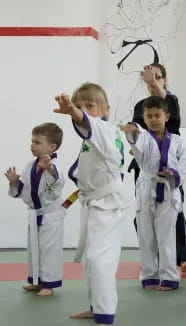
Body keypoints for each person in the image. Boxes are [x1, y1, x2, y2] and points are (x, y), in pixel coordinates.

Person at [54, 83, 127, 326]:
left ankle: (105, 315)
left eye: (90, 106)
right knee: (90, 258)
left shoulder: (106, 130)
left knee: (100, 259)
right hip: (94, 201)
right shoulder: (93, 135)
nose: (84, 110)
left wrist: (75, 112)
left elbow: (87, 123)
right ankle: (96, 306)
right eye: (80, 105)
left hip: (107, 204)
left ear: (105, 109)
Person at [120, 95, 186, 290]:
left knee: (166, 235)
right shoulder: (143, 138)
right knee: (146, 234)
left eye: (157, 115)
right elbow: (135, 142)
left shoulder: (177, 141)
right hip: (146, 187)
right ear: (144, 118)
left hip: (168, 189)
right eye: (149, 116)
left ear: (166, 116)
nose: (153, 119)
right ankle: (149, 275)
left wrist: (175, 173)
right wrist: (131, 132)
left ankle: (169, 277)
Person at [130, 63, 186, 272]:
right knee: (143, 213)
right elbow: (136, 132)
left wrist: (152, 82)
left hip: (170, 163)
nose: (153, 80)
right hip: (146, 167)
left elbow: (163, 99)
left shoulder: (171, 100)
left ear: (165, 80)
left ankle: (182, 257)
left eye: (158, 77)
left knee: (175, 211)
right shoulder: (141, 105)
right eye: (149, 77)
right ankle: (151, 259)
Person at [5, 122, 65, 296]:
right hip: (34, 215)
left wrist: (50, 169)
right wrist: (14, 182)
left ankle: (49, 284)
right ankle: (36, 281)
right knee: (34, 249)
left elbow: (57, 180)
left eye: (37, 142)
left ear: (52, 147)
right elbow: (24, 189)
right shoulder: (30, 165)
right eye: (32, 141)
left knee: (49, 250)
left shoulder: (55, 165)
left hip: (51, 217)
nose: (32, 145)